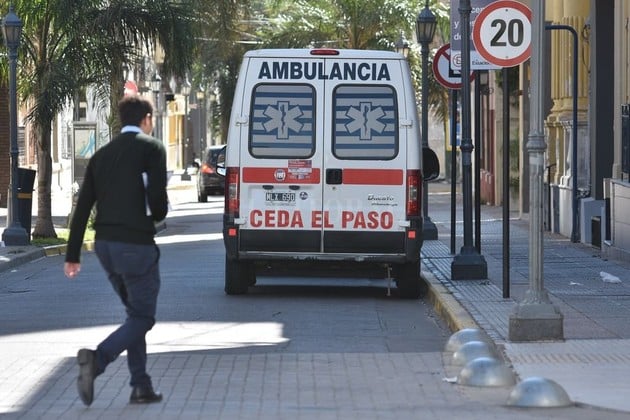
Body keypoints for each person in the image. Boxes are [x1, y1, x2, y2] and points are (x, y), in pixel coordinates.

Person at [64, 94, 168, 406]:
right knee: (143, 317)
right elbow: (159, 208)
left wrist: (72, 255)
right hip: (136, 246)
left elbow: (83, 207)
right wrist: (157, 207)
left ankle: (140, 385)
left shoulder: (101, 155)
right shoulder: (152, 149)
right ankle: (97, 360)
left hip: (105, 247)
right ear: (146, 120)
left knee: (134, 315)